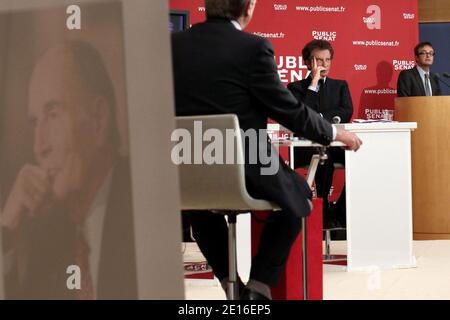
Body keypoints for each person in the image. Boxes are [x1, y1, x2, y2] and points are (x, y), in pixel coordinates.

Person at [171, 0, 362, 300]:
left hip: (186, 169)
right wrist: (334, 132)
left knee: (200, 204)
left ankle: (229, 282)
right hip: (247, 167)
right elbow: (289, 111)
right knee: (299, 193)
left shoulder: (171, 45)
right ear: (248, 7)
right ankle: (258, 290)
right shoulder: (253, 48)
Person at [0, 41, 136, 299]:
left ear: (98, 119)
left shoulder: (140, 204)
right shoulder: (48, 231)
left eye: (53, 114)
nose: (39, 146)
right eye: (35, 122)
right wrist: (6, 228)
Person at [287, 39, 353, 229]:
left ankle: (338, 213)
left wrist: (319, 117)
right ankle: (322, 213)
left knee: (362, 159)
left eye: (327, 60)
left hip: (335, 143)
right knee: (325, 157)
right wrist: (314, 83)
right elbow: (302, 115)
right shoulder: (295, 88)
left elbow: (346, 111)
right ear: (308, 63)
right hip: (305, 146)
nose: (324, 65)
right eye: (318, 60)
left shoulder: (340, 85)